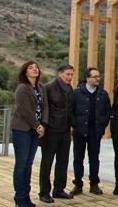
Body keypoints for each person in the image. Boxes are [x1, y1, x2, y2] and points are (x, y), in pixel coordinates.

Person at [12, 61, 48, 207]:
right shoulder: (22, 88)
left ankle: (26, 198)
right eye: (31, 68)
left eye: (36, 67)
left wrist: (43, 125)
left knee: (28, 164)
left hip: (35, 131)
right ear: (25, 72)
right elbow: (26, 110)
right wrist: (37, 126)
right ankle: (20, 200)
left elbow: (45, 107)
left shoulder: (40, 87)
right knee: (21, 164)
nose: (34, 69)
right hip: (22, 130)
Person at [71, 67, 111, 196]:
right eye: (95, 76)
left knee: (94, 159)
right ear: (88, 78)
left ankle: (94, 184)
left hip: (95, 132)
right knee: (78, 159)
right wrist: (75, 125)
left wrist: (102, 126)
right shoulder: (77, 93)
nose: (98, 78)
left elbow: (107, 112)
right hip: (79, 132)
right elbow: (71, 111)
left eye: (99, 76)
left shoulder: (103, 94)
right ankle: (78, 184)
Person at [38, 64, 74, 203]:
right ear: (60, 74)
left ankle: (59, 190)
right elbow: (42, 108)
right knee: (47, 162)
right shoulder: (48, 87)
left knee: (63, 162)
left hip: (65, 131)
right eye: (67, 74)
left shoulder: (70, 89)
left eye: (71, 74)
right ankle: (44, 192)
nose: (70, 77)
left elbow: (70, 110)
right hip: (51, 131)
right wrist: (44, 127)